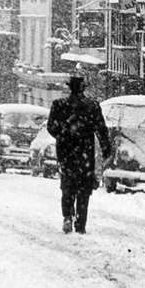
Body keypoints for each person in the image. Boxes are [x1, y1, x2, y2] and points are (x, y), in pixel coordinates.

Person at [45, 77, 112, 234]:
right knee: (84, 189)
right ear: (83, 89)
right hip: (85, 152)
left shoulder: (59, 105)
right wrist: (106, 148)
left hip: (66, 152)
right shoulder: (92, 106)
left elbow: (51, 127)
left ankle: (67, 216)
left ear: (69, 88)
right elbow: (101, 130)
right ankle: (81, 223)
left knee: (67, 186)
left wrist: (62, 135)